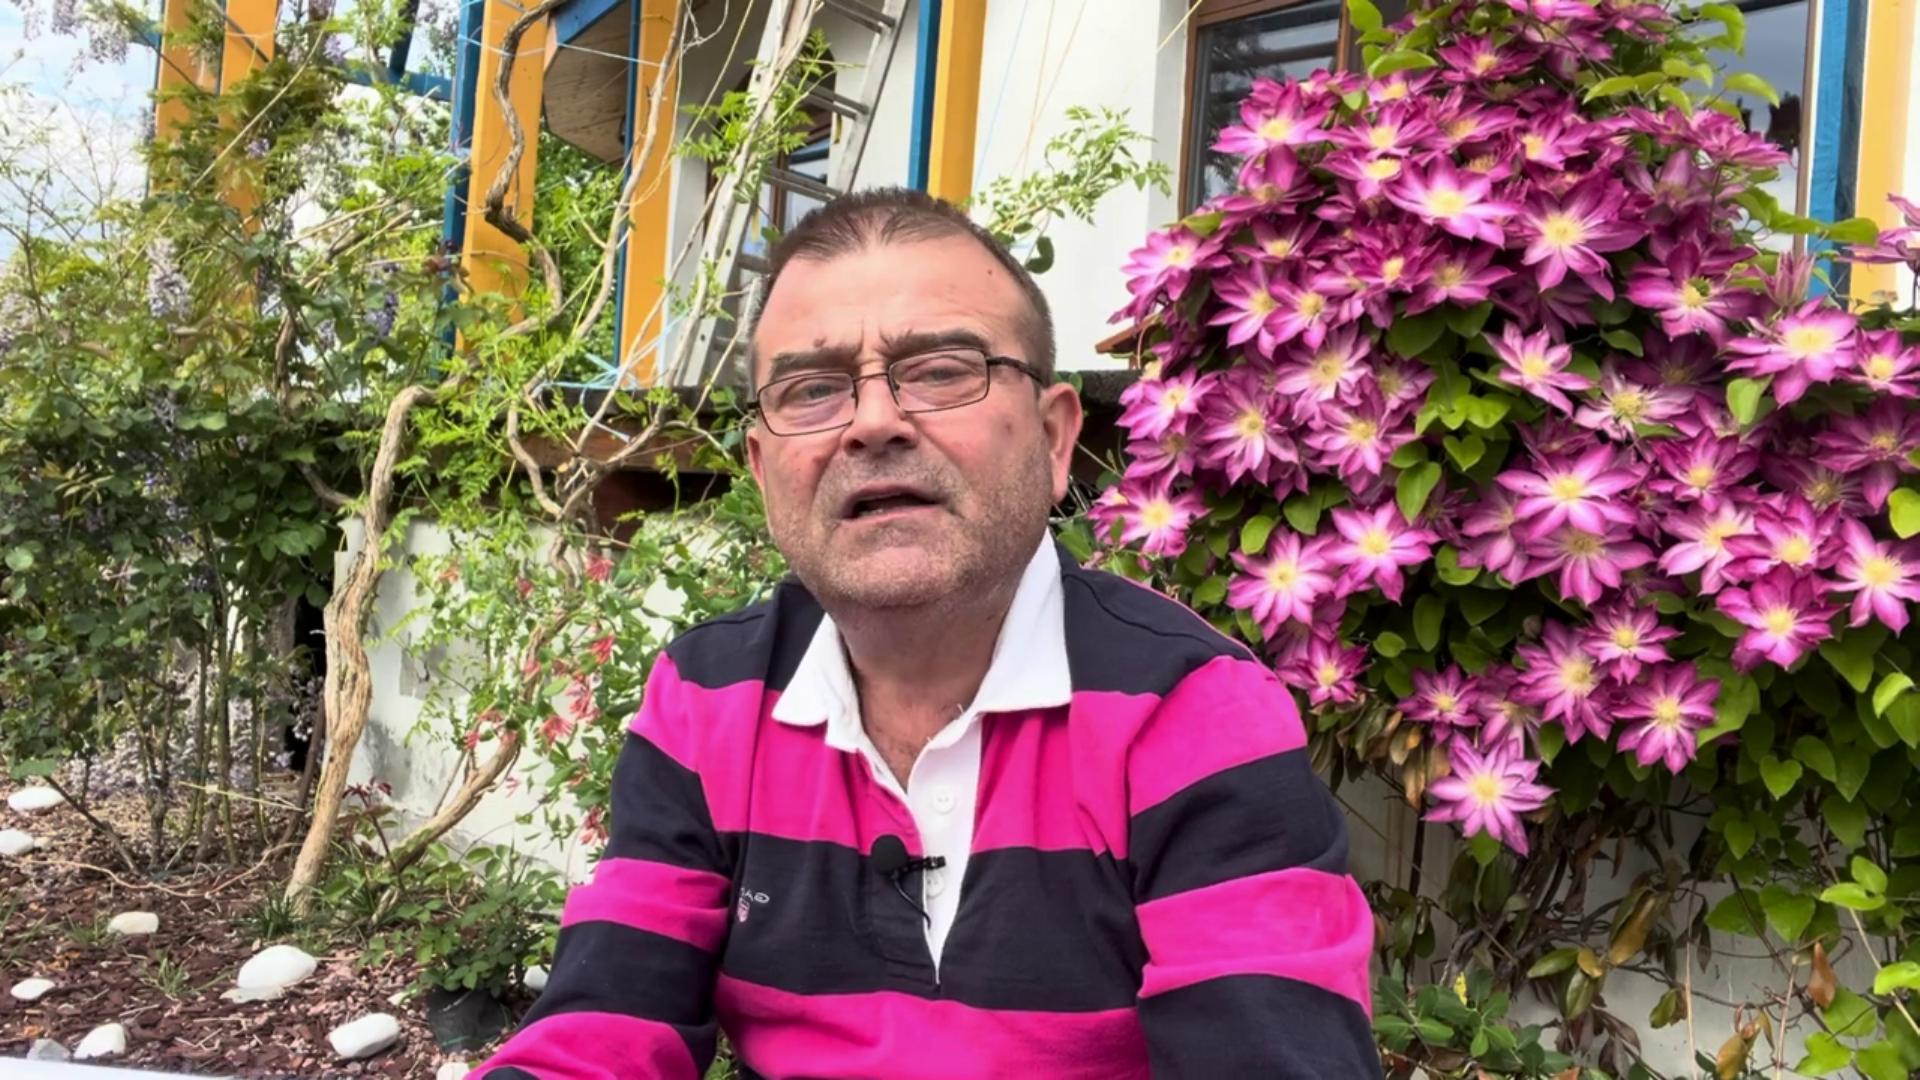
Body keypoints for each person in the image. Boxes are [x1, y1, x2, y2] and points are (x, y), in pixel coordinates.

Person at [471, 187, 1381, 1079]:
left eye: (943, 370)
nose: (873, 423)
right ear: (762, 469)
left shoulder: (1190, 713)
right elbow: (602, 1027)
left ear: (1055, 439)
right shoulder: (707, 700)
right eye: (812, 388)